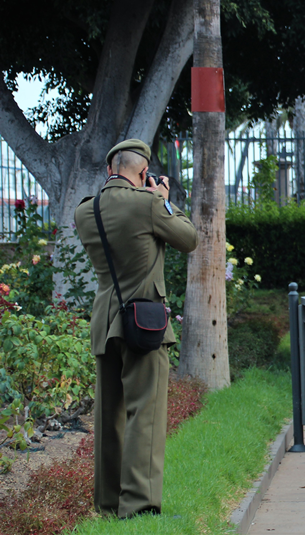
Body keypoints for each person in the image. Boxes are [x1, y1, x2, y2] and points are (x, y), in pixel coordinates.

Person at [74, 139, 198, 518]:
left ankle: (108, 503)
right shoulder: (147, 206)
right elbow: (188, 239)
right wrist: (162, 199)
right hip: (143, 322)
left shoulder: (86, 210)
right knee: (145, 412)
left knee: (108, 416)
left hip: (104, 320)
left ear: (109, 169)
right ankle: (139, 504)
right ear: (143, 173)